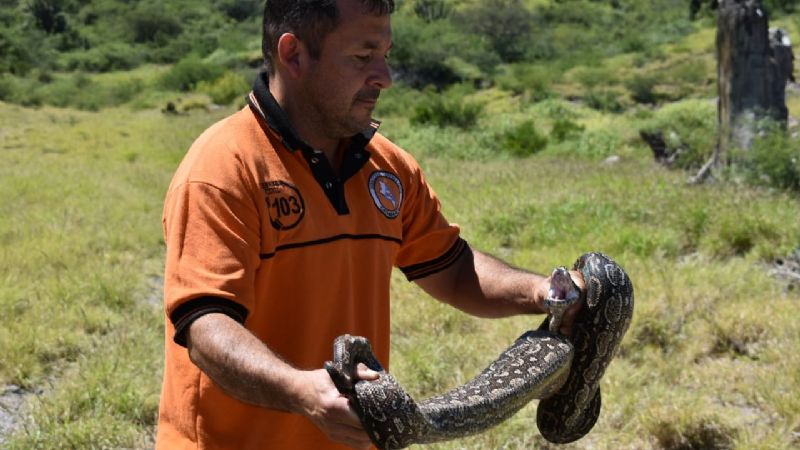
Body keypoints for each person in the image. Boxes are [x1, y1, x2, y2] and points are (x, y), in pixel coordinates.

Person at [155, 1, 584, 449]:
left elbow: (453, 269)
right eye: (363, 57)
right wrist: (302, 391)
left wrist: (544, 292)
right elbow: (206, 328)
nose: (385, 77)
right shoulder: (224, 168)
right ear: (293, 54)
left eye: (386, 55)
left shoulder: (388, 167)